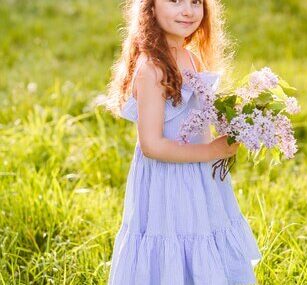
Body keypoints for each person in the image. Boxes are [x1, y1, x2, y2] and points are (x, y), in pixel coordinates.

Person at [104, 0, 262, 284]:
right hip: (168, 182)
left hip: (200, 178)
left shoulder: (191, 58)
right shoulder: (152, 69)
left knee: (204, 235)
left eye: (196, 2)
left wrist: (236, 122)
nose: (188, 10)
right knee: (174, 244)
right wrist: (211, 150)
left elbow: (200, 115)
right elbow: (152, 145)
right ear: (150, 7)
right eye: (175, 1)